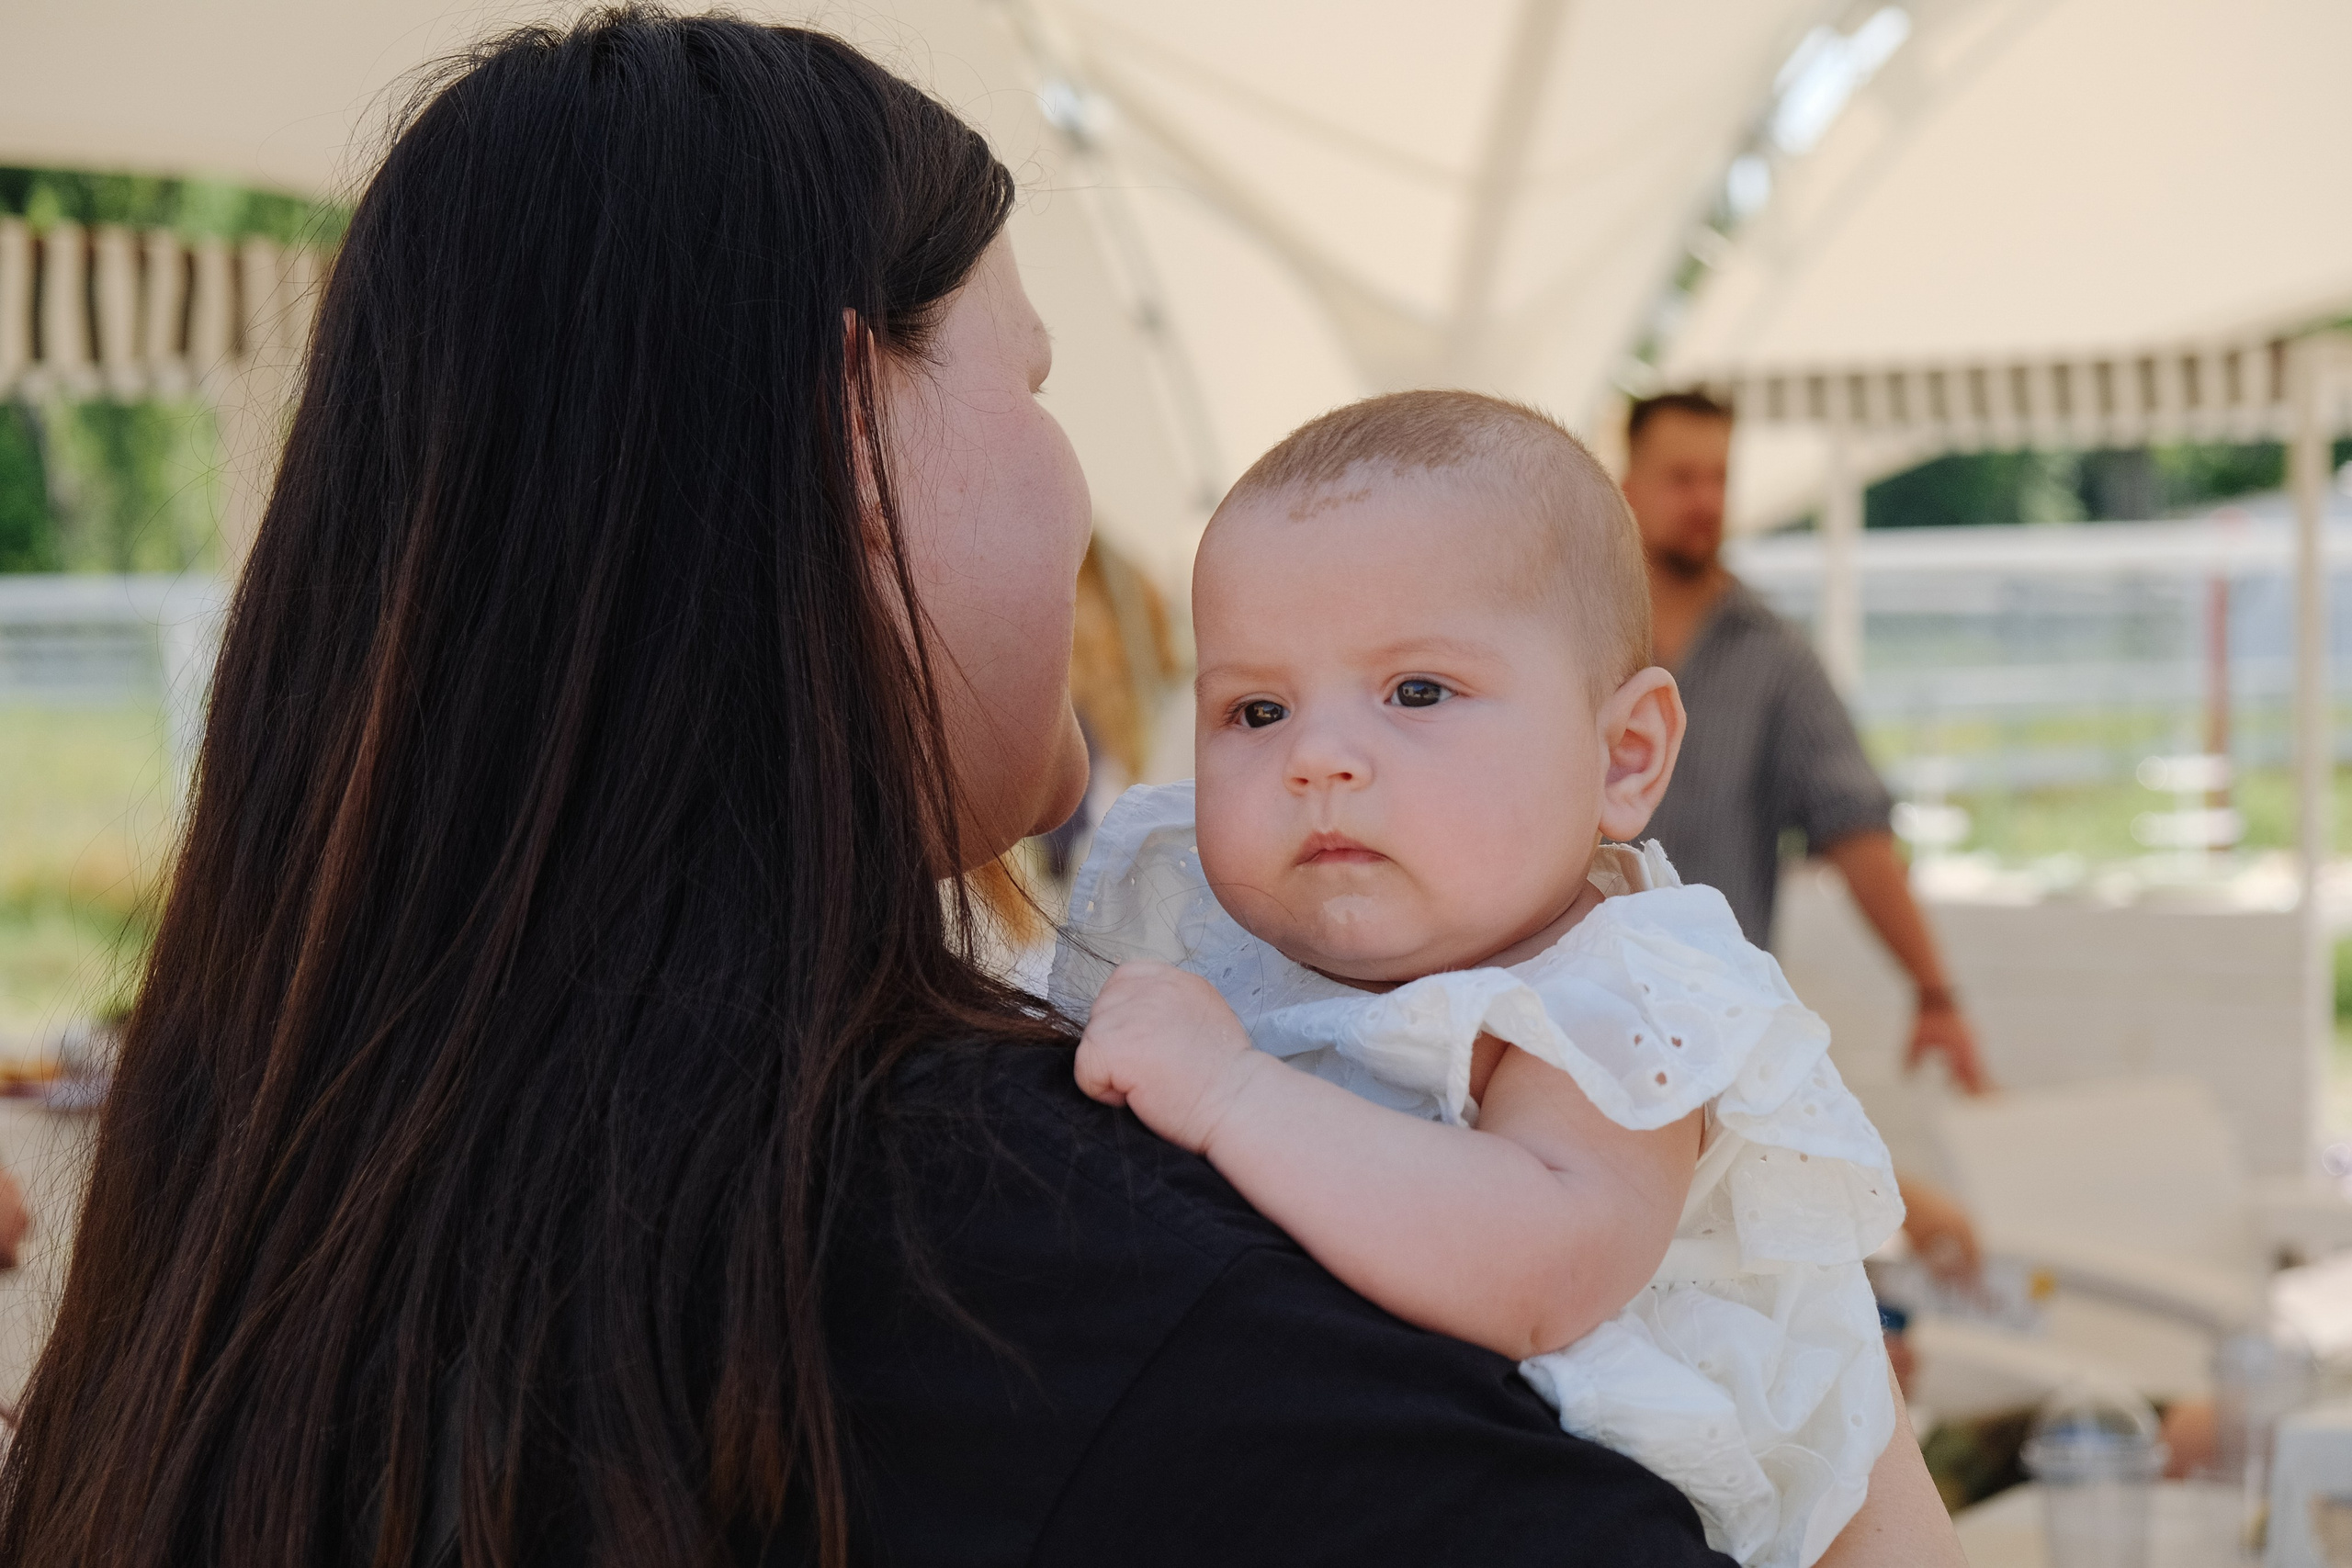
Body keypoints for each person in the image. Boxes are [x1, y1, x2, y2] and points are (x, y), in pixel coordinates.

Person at [0, 16, 1955, 1567]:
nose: (1072, 495)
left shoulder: (266, 1190)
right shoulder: (1079, 1283)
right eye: (1031, 390)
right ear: (857, 438)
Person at [1057, 392, 1951, 1568]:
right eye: (1256, 710)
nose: (1316, 757)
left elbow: (1543, 1262)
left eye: (1416, 691)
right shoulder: (1209, 957)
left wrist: (1228, 1096)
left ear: (1621, 756)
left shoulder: (1616, 990)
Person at [1623, 392, 1990, 1093]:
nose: (1704, 499)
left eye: (1718, 478)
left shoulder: (1775, 655)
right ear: (1627, 487)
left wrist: (1934, 992)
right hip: (1568, 1006)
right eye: (1681, 478)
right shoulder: (1575, 639)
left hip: (1718, 1027)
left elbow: (1854, 825)